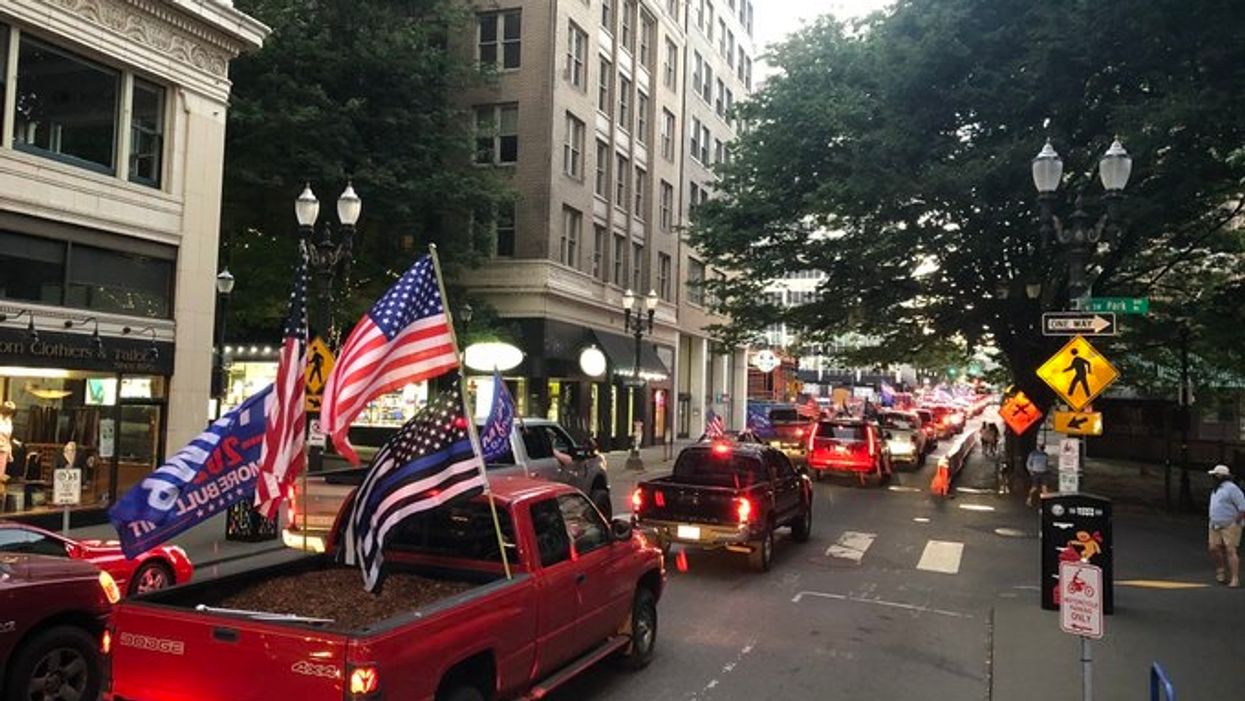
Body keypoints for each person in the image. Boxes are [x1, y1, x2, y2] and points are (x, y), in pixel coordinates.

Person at [1207, 464, 1245, 587]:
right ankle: (1220, 569)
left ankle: (1234, 578)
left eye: (1215, 475)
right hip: (1215, 523)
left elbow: (1242, 507)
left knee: (1230, 550)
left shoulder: (1232, 489)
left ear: (1220, 476)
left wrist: (1236, 522)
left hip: (1230, 524)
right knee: (1213, 547)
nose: (1213, 477)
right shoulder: (1216, 488)